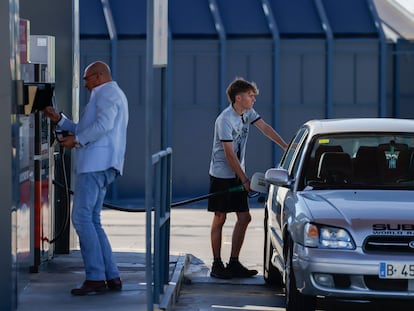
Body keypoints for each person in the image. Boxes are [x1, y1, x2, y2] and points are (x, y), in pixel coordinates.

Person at [44, 61, 129, 295]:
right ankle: (110, 275)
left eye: (87, 79)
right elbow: (85, 127)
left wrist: (77, 141)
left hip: (96, 164)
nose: (84, 84)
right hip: (100, 164)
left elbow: (102, 126)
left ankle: (95, 276)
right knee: (92, 219)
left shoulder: (108, 93)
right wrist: (59, 119)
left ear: (99, 76)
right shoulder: (107, 94)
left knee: (81, 218)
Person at [208, 77, 287, 279]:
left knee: (244, 217)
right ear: (238, 98)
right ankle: (217, 265)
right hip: (222, 175)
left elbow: (265, 128)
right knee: (220, 217)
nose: (253, 99)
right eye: (250, 96)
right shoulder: (225, 119)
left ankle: (233, 263)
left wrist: (286, 147)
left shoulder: (247, 113)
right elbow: (229, 154)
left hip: (237, 173)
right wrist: (244, 179)